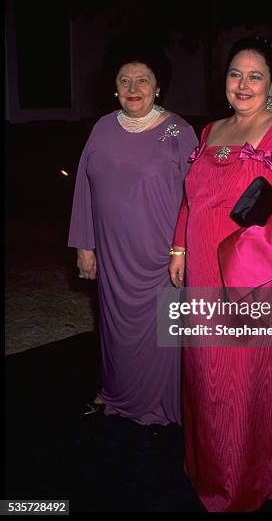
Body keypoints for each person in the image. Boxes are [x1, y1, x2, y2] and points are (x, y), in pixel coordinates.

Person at [169, 36, 272, 512]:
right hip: (203, 274)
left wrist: (247, 260)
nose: (243, 84)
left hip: (254, 284)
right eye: (235, 74)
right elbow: (192, 197)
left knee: (247, 387)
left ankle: (247, 481)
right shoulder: (209, 133)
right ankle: (211, 469)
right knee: (207, 378)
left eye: (255, 76)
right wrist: (180, 244)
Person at [68, 47, 197, 424]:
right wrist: (84, 245)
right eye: (125, 80)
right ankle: (118, 393)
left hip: (162, 254)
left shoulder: (178, 130)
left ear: (158, 88)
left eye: (143, 80)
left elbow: (197, 195)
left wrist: (184, 248)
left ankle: (163, 407)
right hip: (113, 254)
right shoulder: (102, 128)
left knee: (162, 333)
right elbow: (83, 189)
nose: (133, 87)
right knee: (115, 328)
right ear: (114, 88)